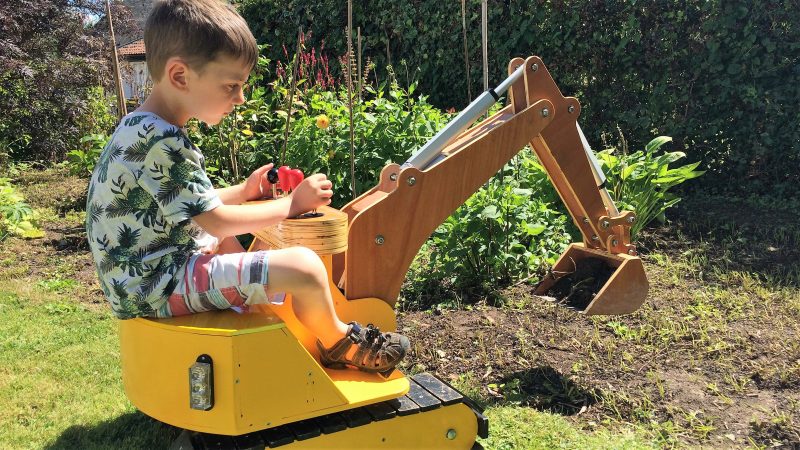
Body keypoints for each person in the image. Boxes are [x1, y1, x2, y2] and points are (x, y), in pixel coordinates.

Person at [85, 0, 408, 375]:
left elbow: (184, 206)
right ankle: (339, 341)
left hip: (140, 279)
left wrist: (243, 190)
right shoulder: (163, 141)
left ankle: (260, 323)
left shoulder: (141, 128)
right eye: (231, 86)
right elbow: (217, 221)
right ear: (180, 76)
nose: (240, 98)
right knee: (303, 264)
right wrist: (293, 205)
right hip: (158, 284)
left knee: (232, 248)